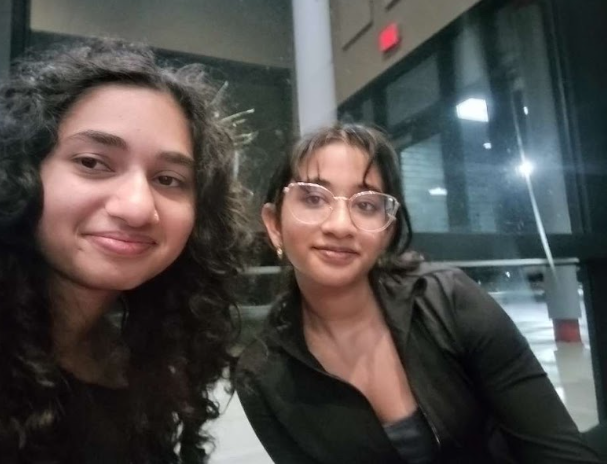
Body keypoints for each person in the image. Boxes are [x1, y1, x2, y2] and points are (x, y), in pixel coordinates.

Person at [235, 123, 603, 463]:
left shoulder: (449, 301)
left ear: (388, 229)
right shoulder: (262, 375)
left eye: (366, 205)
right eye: (314, 199)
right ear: (274, 225)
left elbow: (559, 453)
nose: (340, 225)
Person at [0, 38, 249, 463]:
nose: (137, 208)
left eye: (168, 179)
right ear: (20, 168)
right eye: (93, 163)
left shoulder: (140, 354)